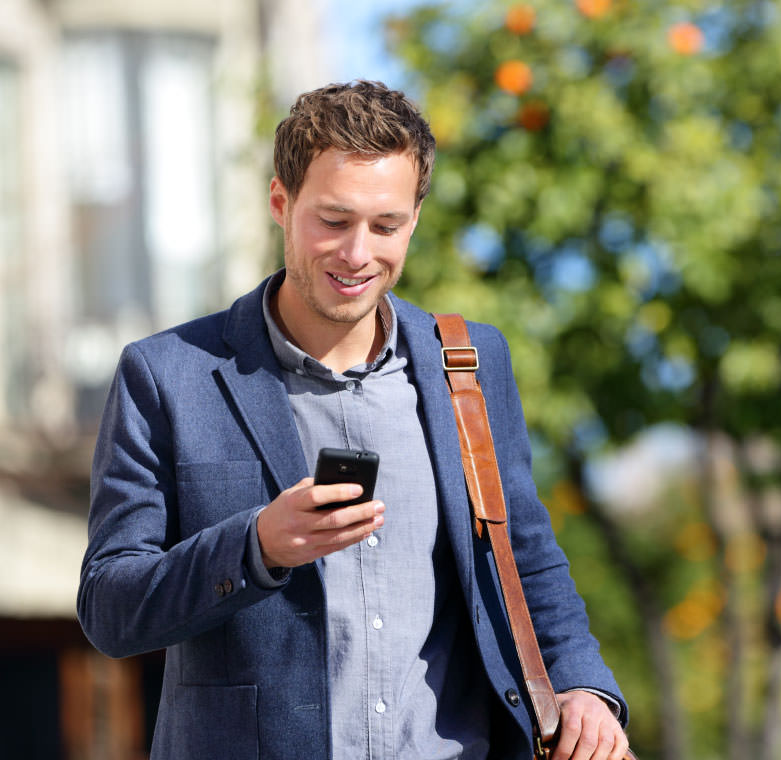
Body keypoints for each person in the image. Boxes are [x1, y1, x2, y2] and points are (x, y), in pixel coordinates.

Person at [78, 80, 630, 760]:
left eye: (386, 226)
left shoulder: (471, 364)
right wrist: (257, 547)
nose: (358, 253)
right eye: (334, 222)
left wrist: (584, 689)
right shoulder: (167, 375)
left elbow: (524, 556)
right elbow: (111, 608)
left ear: (415, 219)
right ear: (280, 203)